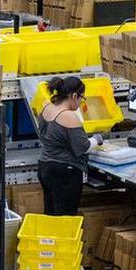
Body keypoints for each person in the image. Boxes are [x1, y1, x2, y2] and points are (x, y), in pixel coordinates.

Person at [37, 76, 103, 216]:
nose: (80, 102)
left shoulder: (46, 108)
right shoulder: (68, 116)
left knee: (50, 214)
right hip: (64, 172)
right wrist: (97, 139)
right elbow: (82, 147)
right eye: (81, 98)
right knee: (65, 216)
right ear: (74, 96)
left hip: (45, 167)